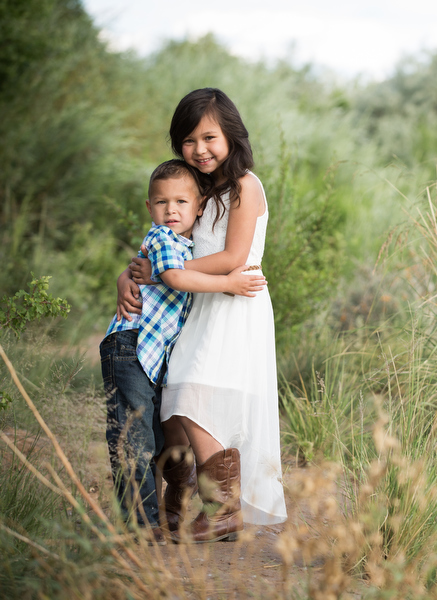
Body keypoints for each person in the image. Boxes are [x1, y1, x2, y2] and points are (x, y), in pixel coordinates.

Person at [118, 88, 288, 543]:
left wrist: (165, 274)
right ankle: (181, 500)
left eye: (209, 137)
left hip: (236, 300)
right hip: (197, 304)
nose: (200, 149)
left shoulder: (245, 186)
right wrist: (132, 275)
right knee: (174, 404)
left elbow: (233, 256)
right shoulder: (194, 190)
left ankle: (224, 507)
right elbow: (160, 241)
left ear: (231, 134)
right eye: (189, 141)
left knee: (194, 394)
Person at [102, 159, 266, 544]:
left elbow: (166, 269)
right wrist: (226, 282)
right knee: (133, 437)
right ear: (149, 207)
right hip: (130, 346)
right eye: (161, 203)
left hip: (151, 353)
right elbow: (176, 277)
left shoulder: (187, 243)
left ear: (200, 206)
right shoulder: (162, 239)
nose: (170, 210)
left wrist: (130, 273)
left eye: (180, 202)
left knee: (158, 434)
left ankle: (169, 508)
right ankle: (140, 526)